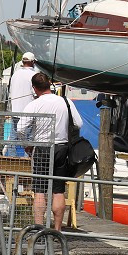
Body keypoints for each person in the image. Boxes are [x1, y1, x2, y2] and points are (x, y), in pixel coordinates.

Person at [22, 72, 80, 231]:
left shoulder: (35, 104)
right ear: (49, 84)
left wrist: (27, 144)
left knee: (40, 189)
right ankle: (57, 230)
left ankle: (39, 229)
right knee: (58, 190)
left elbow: (21, 128)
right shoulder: (65, 101)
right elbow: (79, 123)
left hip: (41, 148)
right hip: (61, 147)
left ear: (34, 88)